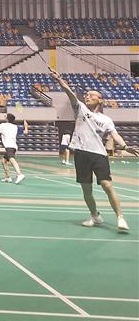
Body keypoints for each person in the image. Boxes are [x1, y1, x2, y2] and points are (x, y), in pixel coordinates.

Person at [50, 70, 130, 232]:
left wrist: (125, 146)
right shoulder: (80, 109)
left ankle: (120, 217)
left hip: (99, 154)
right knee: (87, 189)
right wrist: (59, 80)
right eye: (86, 95)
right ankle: (95, 216)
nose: (87, 96)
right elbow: (70, 93)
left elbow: (115, 135)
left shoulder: (106, 119)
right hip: (81, 153)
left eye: (91, 95)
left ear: (100, 99)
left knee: (107, 185)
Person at [0, 113, 28, 184]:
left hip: (9, 146)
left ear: (7, 119)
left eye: (5, 116)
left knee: (12, 159)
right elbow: (26, 132)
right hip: (14, 147)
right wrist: (26, 126)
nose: (4, 117)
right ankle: (8, 177)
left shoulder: (3, 125)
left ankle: (19, 174)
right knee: (4, 161)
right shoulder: (15, 127)